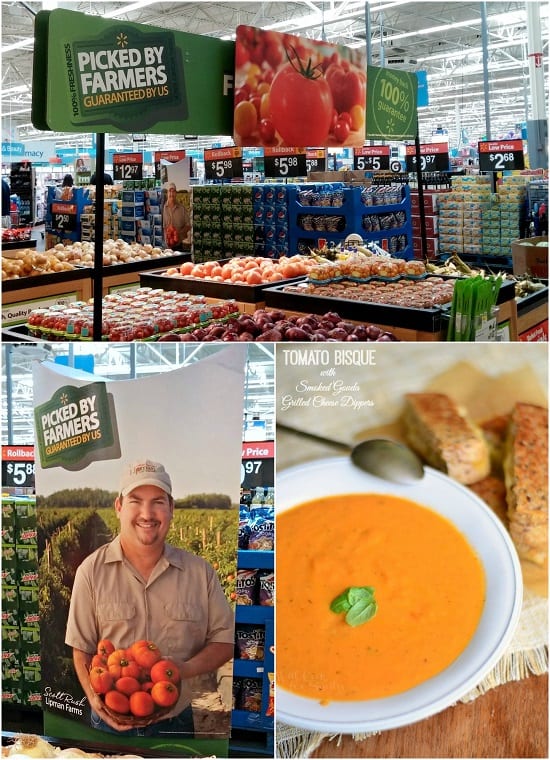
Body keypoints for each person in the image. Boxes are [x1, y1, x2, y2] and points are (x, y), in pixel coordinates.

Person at [65, 459, 235, 737]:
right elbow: (80, 649)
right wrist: (95, 700)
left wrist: (183, 669)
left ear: (171, 509)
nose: (147, 513)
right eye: (135, 501)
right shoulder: (91, 571)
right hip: (108, 723)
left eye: (158, 501)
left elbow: (225, 641)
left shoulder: (199, 573)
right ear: (118, 507)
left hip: (175, 721)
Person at [162, 182, 190, 250]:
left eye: (173, 191)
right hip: (166, 246)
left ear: (176, 193)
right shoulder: (162, 208)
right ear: (167, 193)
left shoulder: (182, 208)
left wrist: (179, 233)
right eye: (170, 191)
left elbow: (188, 225)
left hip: (179, 245)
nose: (171, 194)